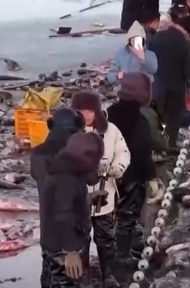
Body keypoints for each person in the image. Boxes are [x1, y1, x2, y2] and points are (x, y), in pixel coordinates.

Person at [70, 90, 130, 285]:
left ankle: (108, 273)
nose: (86, 116)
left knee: (106, 239)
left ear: (96, 111)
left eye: (89, 111)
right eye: (81, 111)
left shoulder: (111, 131)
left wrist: (118, 167)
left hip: (105, 198)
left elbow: (123, 152)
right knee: (80, 241)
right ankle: (82, 275)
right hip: (78, 201)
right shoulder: (69, 134)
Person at [106, 73, 158, 271]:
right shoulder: (139, 121)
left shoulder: (109, 113)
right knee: (127, 215)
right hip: (131, 176)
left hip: (110, 175)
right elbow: (142, 152)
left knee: (113, 214)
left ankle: (120, 249)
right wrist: (152, 178)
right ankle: (122, 255)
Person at [39, 132, 103, 288]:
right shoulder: (66, 178)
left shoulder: (64, 168)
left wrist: (89, 198)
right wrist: (71, 251)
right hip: (61, 249)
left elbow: (65, 201)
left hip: (51, 243)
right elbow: (63, 215)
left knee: (50, 281)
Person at [148, 6, 190, 148]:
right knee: (174, 116)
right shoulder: (182, 40)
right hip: (177, 85)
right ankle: (171, 142)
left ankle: (159, 142)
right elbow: (188, 65)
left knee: (160, 116)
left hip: (158, 85)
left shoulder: (154, 39)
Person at [30, 108, 87, 189]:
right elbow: (91, 179)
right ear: (78, 125)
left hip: (46, 201)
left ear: (50, 125)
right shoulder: (79, 152)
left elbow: (35, 175)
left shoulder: (36, 152)